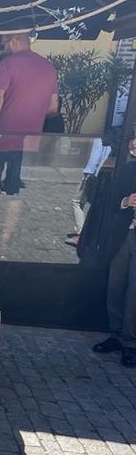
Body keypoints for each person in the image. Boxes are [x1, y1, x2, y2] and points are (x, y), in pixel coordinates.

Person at [0, 32, 58, 195]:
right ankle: (11, 191)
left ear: (14, 42)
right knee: (14, 189)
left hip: (5, 129)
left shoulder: (8, 64)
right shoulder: (49, 67)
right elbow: (53, 107)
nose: (3, 48)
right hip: (30, 134)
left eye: (3, 44)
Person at [93, 136, 136, 367]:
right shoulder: (129, 169)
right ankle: (116, 335)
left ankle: (131, 343)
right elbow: (110, 202)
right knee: (116, 286)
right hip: (123, 235)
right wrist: (125, 201)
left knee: (134, 293)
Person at [65, 134, 113, 247]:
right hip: (103, 177)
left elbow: (94, 159)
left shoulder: (101, 138)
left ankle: (81, 235)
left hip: (93, 177)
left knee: (76, 202)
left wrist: (87, 175)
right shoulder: (115, 138)